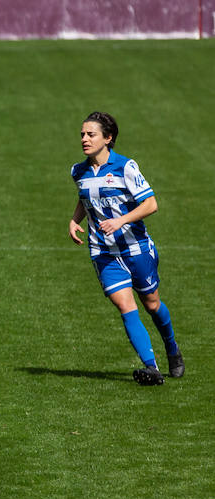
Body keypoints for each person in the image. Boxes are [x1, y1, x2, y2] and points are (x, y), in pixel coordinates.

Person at [68, 111, 183, 385]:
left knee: (152, 304)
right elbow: (87, 198)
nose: (84, 139)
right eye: (82, 134)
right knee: (124, 305)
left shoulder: (126, 167)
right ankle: (152, 367)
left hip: (136, 249)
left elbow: (150, 204)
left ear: (107, 139)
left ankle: (172, 349)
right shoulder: (78, 171)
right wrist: (74, 220)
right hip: (103, 253)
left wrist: (121, 220)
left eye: (91, 134)